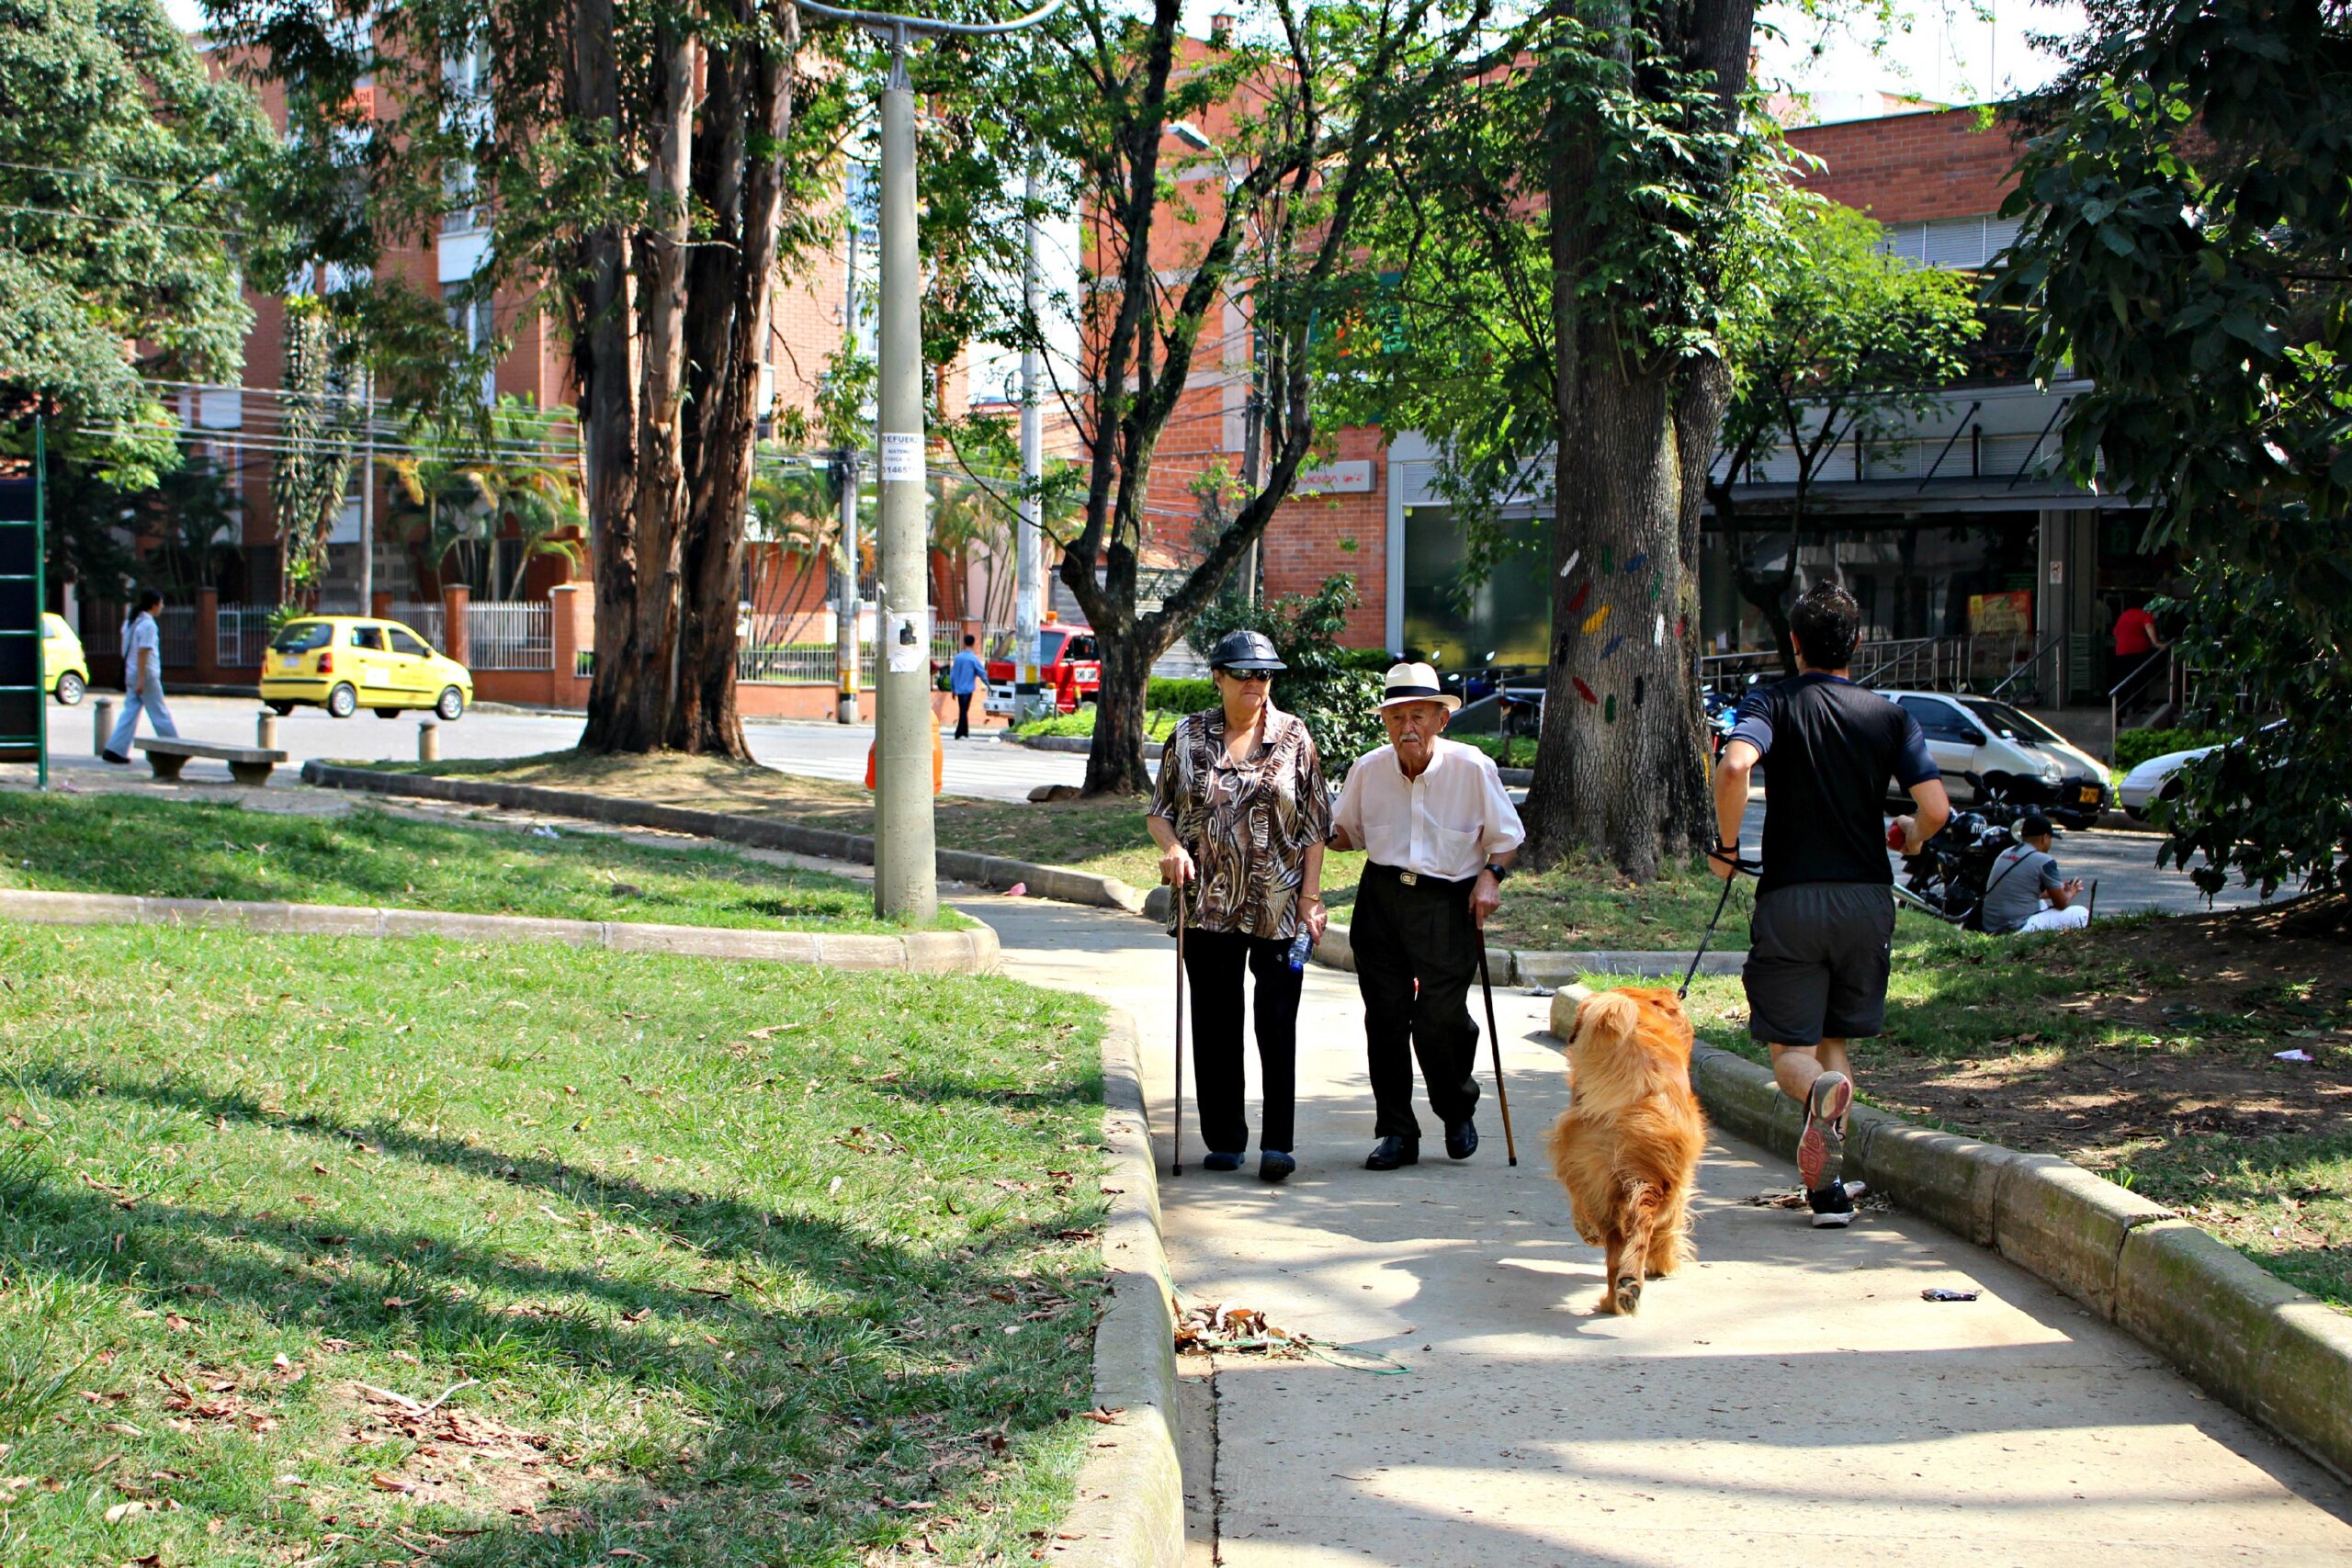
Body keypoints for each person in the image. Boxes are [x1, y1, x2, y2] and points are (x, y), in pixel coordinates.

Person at [1711, 582, 1951, 1227]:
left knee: (1795, 1050)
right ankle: (1829, 1191)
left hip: (1793, 897)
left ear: (1793, 644)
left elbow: (1735, 767)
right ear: (1859, 642)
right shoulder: (1890, 715)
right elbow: (1935, 808)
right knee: (1833, 1038)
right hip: (1868, 899)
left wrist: (1726, 847)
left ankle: (1816, 1092)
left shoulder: (1772, 701)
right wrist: (1913, 837)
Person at [1147, 628, 1331, 1182]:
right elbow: (1160, 810)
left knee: (1277, 1024)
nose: (1257, 683)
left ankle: (1278, 1143)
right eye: (1246, 673)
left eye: (1265, 674)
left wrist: (1311, 899)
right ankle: (1224, 1138)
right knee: (1216, 1021)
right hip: (1206, 904)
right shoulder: (1185, 736)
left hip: (1277, 904)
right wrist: (1173, 847)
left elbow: (1316, 826)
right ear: (1219, 678)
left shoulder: (1294, 737)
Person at [1329, 661, 1524, 1171]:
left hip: (1447, 901)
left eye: (1418, 716)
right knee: (1386, 1020)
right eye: (1396, 718)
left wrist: (1491, 877)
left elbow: (1506, 841)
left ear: (1442, 720)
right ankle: (1396, 1131)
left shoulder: (1473, 768)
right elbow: (1345, 833)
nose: (1406, 728)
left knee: (1440, 1019)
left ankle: (1456, 1109)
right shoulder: (1368, 770)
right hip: (1382, 900)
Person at [1978, 812, 2089, 934]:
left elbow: (2022, 890)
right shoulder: (2045, 861)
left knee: (2041, 903)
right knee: (2081, 913)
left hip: (1990, 925)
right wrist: (2071, 891)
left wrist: (2060, 887)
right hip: (2015, 927)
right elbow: (2061, 903)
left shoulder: (2006, 853)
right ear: (2044, 838)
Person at [102, 589, 177, 765]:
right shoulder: (148, 625)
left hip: (130, 672)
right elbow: (143, 652)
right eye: (161, 603)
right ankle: (175, 748)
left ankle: (115, 749)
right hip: (146, 675)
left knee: (130, 711)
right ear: (154, 605)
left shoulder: (131, 622)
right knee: (159, 712)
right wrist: (142, 679)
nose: (162, 606)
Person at [948, 634, 988, 739]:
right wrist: (988, 684)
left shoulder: (958, 658)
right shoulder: (973, 659)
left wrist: (953, 689)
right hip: (968, 689)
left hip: (959, 689)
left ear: (964, 643)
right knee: (964, 711)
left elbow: (952, 675)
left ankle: (963, 732)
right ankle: (960, 733)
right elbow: (981, 672)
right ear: (973, 643)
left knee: (963, 710)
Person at [2113, 596, 2166, 662]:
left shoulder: (2124, 614)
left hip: (2122, 651)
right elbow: (2149, 625)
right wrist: (2156, 643)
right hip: (2139, 651)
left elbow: (2116, 634)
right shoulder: (2145, 614)